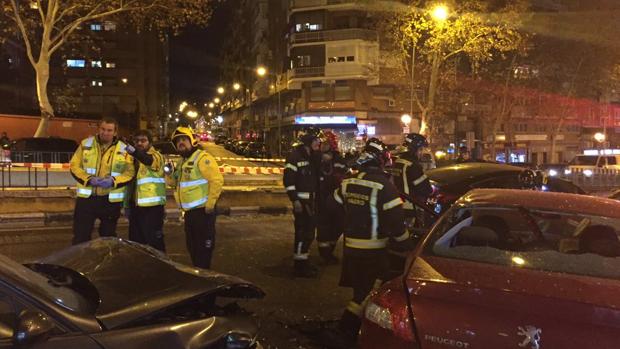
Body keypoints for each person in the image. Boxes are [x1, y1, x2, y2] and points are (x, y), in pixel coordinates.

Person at [326, 138, 410, 347]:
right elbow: (397, 224)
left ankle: (356, 329)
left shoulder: (348, 182)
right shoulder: (385, 187)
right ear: (380, 161)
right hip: (374, 251)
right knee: (369, 293)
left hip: (351, 249)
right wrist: (406, 245)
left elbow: (331, 205)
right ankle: (344, 332)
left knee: (360, 290)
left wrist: (351, 218)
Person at [69, 117, 135, 244]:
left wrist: (113, 181)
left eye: (109, 130)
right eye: (103, 129)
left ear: (115, 132)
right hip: (87, 199)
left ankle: (106, 262)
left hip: (110, 200)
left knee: (108, 237)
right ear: (99, 129)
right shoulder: (86, 144)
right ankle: (80, 263)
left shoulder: (124, 149)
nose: (105, 133)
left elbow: (130, 172)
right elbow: (74, 166)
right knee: (80, 236)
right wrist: (88, 179)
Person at [166, 126, 223, 268]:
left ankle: (206, 277)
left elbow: (216, 181)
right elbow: (174, 183)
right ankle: (199, 273)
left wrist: (210, 204)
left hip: (203, 212)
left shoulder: (202, 158)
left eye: (184, 139)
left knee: (203, 249)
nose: (181, 143)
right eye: (178, 141)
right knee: (192, 247)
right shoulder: (182, 162)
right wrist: (169, 173)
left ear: (192, 141)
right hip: (190, 213)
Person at [283, 127, 321, 277]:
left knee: (309, 233)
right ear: (308, 142)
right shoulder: (295, 157)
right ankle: (299, 265)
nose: (319, 142)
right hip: (302, 202)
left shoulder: (312, 156)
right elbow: (288, 180)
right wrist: (295, 200)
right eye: (316, 140)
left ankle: (304, 259)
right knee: (302, 232)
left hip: (311, 201)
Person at [124, 130, 167, 252]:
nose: (139, 143)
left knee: (155, 242)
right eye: (137, 141)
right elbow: (130, 184)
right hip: (135, 207)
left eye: (143, 141)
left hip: (152, 208)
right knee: (136, 243)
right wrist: (126, 205)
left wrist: (134, 152)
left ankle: (161, 268)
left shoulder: (156, 156)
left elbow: (148, 161)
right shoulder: (131, 159)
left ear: (150, 143)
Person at [316, 131, 347, 265]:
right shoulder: (315, 158)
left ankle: (330, 250)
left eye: (326, 144)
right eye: (322, 143)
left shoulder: (338, 159)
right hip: (321, 198)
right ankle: (324, 254)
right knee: (323, 227)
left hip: (336, 199)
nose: (323, 146)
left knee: (338, 225)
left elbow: (345, 174)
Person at [390, 133, 433, 218]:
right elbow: (424, 188)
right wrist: (431, 191)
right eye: (420, 149)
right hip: (410, 206)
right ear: (414, 149)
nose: (421, 153)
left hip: (397, 204)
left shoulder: (398, 161)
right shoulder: (413, 165)